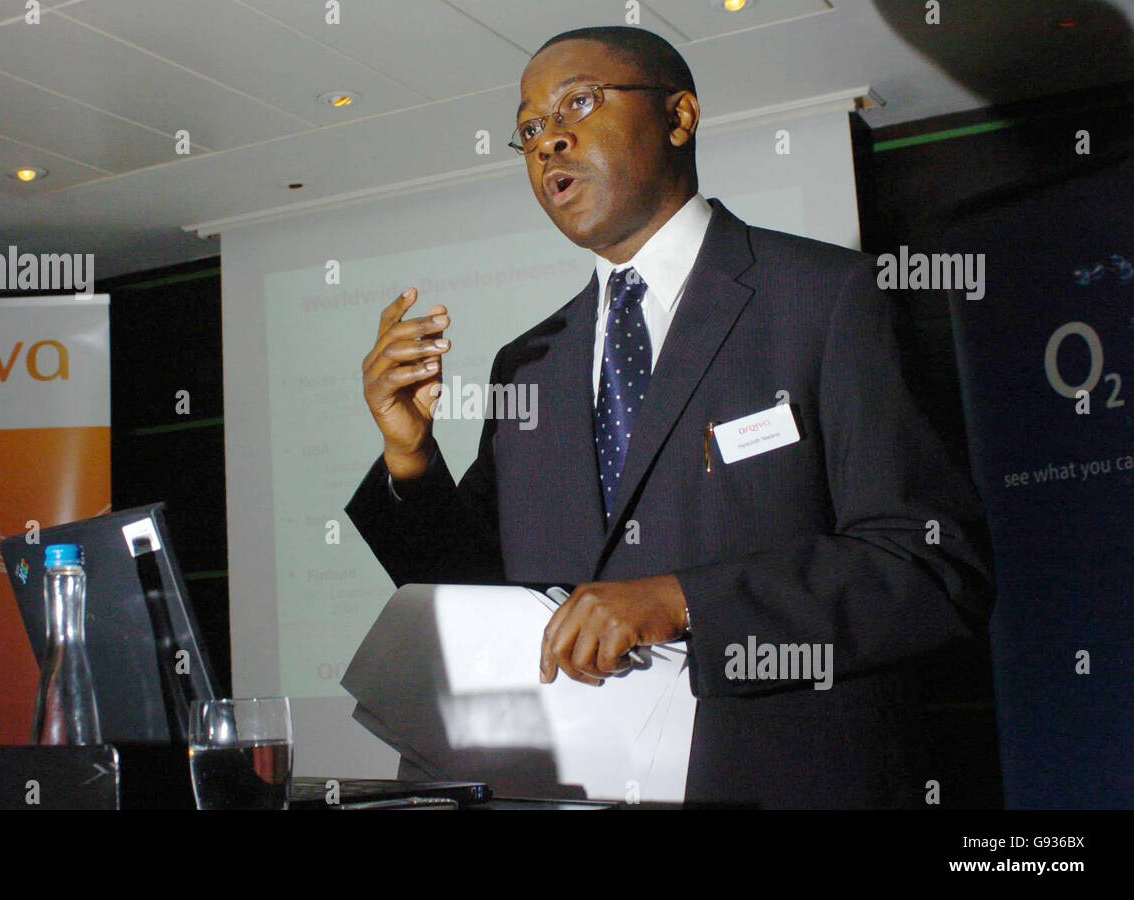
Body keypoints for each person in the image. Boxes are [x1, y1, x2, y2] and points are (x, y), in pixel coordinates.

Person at [345, 26, 994, 808]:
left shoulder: (826, 299)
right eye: (527, 130)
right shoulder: (529, 363)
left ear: (679, 116)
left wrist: (684, 600)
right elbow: (480, 602)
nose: (548, 139)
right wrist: (409, 455)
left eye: (577, 103)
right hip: (572, 790)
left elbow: (928, 569)